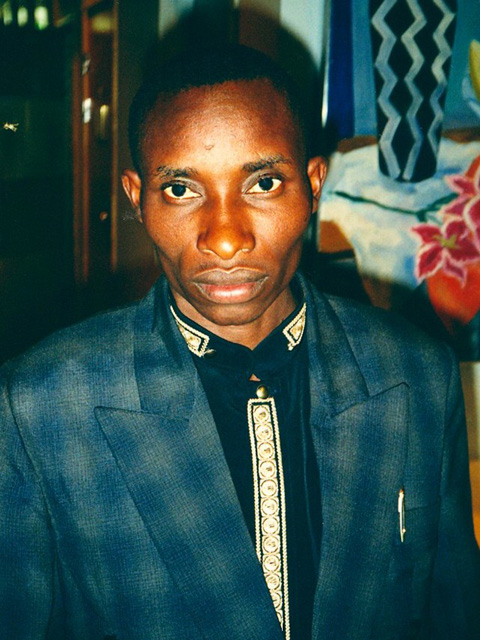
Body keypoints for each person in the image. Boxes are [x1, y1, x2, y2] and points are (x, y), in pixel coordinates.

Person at [1, 45, 479, 640]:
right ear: (136, 199)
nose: (225, 240)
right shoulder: (38, 407)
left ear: (312, 186)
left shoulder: (418, 373)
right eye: (180, 189)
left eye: (264, 183)